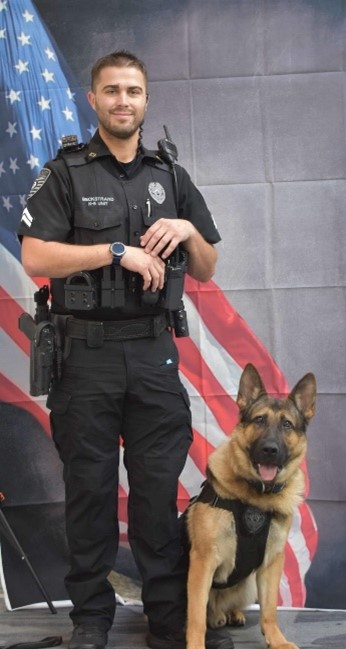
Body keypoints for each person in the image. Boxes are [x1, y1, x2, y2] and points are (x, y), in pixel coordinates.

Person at [18, 51, 233, 649]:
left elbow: (209, 267)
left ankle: (168, 619)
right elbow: (36, 255)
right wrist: (115, 252)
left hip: (153, 355)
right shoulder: (65, 172)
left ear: (146, 100)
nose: (122, 101)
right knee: (88, 492)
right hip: (83, 356)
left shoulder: (170, 176)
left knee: (157, 492)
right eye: (111, 91)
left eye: (133, 91)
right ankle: (91, 621)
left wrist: (189, 232)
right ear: (93, 100)